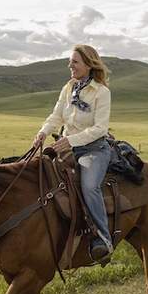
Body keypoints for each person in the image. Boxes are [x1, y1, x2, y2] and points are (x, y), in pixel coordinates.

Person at [33, 45, 113, 261]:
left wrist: (70, 141)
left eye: (75, 62)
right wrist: (43, 132)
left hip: (93, 149)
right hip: (66, 146)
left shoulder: (101, 92)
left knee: (89, 186)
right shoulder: (69, 88)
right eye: (70, 61)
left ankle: (103, 239)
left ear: (89, 64)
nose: (70, 65)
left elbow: (100, 129)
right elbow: (56, 116)